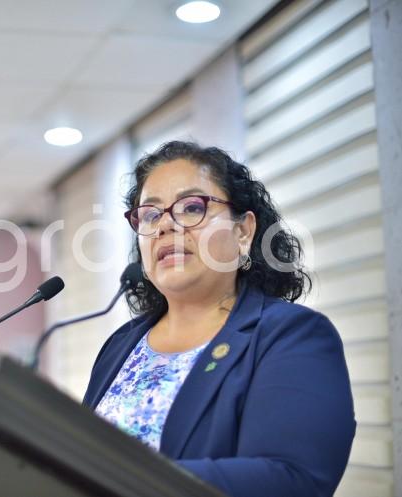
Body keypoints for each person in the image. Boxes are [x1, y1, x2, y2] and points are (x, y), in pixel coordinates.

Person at [83, 141, 355, 497]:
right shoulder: (122, 345)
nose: (165, 225)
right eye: (150, 214)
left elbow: (292, 478)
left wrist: (122, 479)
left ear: (243, 232)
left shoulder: (290, 336)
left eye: (192, 207)